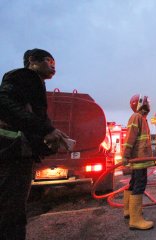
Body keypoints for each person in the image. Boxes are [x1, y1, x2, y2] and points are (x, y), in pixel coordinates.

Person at [0, 48, 68, 240]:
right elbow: (4, 103)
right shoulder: (22, 76)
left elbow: (34, 116)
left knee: (14, 211)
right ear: (32, 60)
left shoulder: (33, 83)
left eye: (55, 63)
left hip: (18, 154)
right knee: (11, 214)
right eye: (49, 61)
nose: (53, 67)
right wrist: (45, 130)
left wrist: (46, 135)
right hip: (11, 153)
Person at [121, 94, 155, 230]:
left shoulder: (141, 118)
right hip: (140, 159)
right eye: (147, 102)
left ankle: (129, 211)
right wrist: (125, 155)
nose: (148, 104)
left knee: (134, 183)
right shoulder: (137, 117)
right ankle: (136, 220)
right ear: (141, 103)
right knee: (139, 185)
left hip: (140, 159)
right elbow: (130, 138)